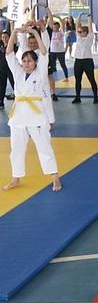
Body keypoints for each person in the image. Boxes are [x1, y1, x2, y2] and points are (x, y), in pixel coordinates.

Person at [3, 26, 61, 192]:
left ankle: (55, 177)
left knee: (44, 147)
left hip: (36, 116)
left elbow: (44, 52)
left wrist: (35, 33)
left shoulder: (40, 72)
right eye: (24, 61)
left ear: (35, 62)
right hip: (18, 117)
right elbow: (8, 54)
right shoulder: (18, 72)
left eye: (29, 61)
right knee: (16, 149)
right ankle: (16, 178)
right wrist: (14, 33)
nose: (26, 63)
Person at [72, 15, 98, 104]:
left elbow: (90, 27)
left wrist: (89, 18)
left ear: (85, 32)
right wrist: (79, 16)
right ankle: (77, 97)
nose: (79, 32)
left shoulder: (89, 37)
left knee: (91, 79)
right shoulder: (79, 37)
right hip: (78, 61)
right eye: (79, 31)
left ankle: (95, 97)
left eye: (81, 31)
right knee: (78, 80)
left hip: (87, 61)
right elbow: (76, 26)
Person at [0, 30, 15, 110]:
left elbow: (14, 36)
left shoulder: (12, 45)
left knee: (14, 84)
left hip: (11, 69)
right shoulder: (1, 45)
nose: (4, 39)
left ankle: (18, 99)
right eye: (3, 37)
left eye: (6, 37)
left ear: (9, 38)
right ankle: (1, 102)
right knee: (1, 86)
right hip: (2, 69)